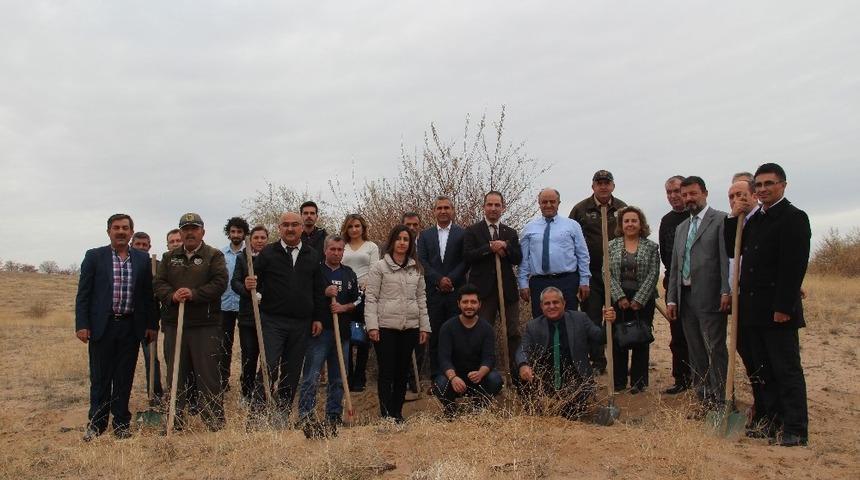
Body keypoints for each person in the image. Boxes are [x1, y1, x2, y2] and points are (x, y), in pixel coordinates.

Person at [726, 163, 810, 447]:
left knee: (785, 370)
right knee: (761, 371)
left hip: (777, 310)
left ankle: (795, 428)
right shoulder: (755, 219)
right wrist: (733, 217)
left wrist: (784, 307)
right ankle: (769, 421)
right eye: (758, 185)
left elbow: (793, 266)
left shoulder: (793, 218)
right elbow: (731, 249)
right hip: (751, 309)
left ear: (783, 185)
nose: (763, 190)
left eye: (768, 184)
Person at [75, 214, 157, 441]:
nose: (121, 231)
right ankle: (97, 424)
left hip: (131, 327)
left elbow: (148, 297)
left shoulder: (141, 259)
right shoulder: (94, 257)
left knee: (124, 377)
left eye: (125, 228)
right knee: (100, 378)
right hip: (102, 327)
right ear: (108, 231)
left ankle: (121, 423)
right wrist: (82, 324)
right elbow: (84, 294)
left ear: (132, 232)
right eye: (116, 228)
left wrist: (151, 324)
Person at [244, 212, 327, 425]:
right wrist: (249, 285)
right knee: (268, 366)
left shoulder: (312, 254)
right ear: (279, 228)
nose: (290, 229)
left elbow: (317, 289)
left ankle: (281, 415)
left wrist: (318, 317)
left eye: (294, 225)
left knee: (292, 370)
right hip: (272, 320)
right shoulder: (268, 253)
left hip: (301, 323)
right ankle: (257, 416)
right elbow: (254, 283)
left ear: (301, 228)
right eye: (286, 225)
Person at [153, 213, 228, 432]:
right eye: (185, 228)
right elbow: (159, 283)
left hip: (204, 325)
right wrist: (172, 295)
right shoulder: (170, 258)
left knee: (208, 375)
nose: (189, 232)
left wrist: (194, 294)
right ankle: (173, 421)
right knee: (175, 375)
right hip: (175, 324)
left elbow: (219, 283)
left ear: (202, 232)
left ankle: (214, 421)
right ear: (180, 232)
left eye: (194, 228)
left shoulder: (213, 255)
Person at [666, 177, 730, 411]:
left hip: (711, 296)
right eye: (684, 195)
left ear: (704, 193)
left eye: (693, 194)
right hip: (685, 297)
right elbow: (674, 265)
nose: (688, 199)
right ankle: (703, 396)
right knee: (695, 349)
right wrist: (672, 297)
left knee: (715, 348)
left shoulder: (721, 220)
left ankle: (722, 397)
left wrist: (726, 290)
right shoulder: (682, 227)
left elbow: (725, 260)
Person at [515, 287, 612, 420]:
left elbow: (600, 337)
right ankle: (537, 408)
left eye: (556, 302)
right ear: (541, 306)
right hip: (546, 385)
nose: (552, 306)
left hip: (576, 383)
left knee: (572, 414)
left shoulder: (580, 319)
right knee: (518, 370)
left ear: (564, 303)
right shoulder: (533, 326)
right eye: (547, 303)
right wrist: (523, 365)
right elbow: (522, 349)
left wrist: (608, 322)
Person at [365, 225, 431, 422]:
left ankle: (397, 412)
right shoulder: (379, 267)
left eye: (406, 239)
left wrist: (424, 326)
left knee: (403, 372)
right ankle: (386, 415)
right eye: (399, 239)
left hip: (410, 327)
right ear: (392, 241)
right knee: (387, 372)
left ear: (410, 244)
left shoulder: (416, 269)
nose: (402, 243)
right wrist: (372, 326)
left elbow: (421, 299)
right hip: (385, 327)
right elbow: (371, 298)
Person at [568, 170, 627, 374]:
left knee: (616, 316)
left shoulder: (622, 208)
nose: (603, 186)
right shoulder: (580, 210)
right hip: (590, 273)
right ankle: (598, 362)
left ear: (612, 185)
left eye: (607, 183)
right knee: (592, 317)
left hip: (617, 274)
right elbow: (571, 240)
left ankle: (619, 362)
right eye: (599, 183)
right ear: (592, 186)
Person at [298, 235, 360, 425]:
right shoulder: (316, 271)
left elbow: (358, 299)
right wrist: (323, 293)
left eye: (340, 249)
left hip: (342, 333)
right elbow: (304, 294)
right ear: (325, 250)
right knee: (311, 377)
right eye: (332, 249)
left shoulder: (349, 273)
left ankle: (333, 416)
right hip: (320, 331)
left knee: (339, 378)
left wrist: (344, 307)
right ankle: (305, 416)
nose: (336, 253)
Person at [463, 191, 523, 377]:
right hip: (483, 292)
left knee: (512, 332)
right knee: (482, 332)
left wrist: (505, 247)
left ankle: (515, 371)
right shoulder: (473, 231)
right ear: (484, 207)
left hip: (507, 291)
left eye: (497, 205)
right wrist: (489, 248)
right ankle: (484, 373)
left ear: (503, 208)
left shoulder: (510, 233)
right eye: (490, 204)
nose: (493, 208)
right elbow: (468, 256)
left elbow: (518, 258)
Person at [608, 206, 660, 393]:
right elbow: (606, 273)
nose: (630, 224)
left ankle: (639, 382)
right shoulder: (611, 245)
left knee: (640, 339)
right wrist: (619, 296)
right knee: (618, 339)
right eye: (626, 221)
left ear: (641, 224)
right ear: (621, 225)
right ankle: (619, 381)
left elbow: (654, 273)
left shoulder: (651, 247)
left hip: (643, 301)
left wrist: (639, 299)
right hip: (618, 299)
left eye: (634, 221)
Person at [518, 188, 591, 318]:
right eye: (544, 202)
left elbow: (582, 255)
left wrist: (584, 280)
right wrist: (523, 283)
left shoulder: (572, 226)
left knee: (569, 320)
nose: (548, 205)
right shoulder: (529, 228)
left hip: (567, 281)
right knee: (541, 323)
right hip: (539, 282)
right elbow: (524, 259)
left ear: (558, 203)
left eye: (552, 201)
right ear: (539, 203)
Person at [434, 284, 503, 417]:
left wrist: (480, 373)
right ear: (459, 304)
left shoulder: (487, 329)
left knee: (495, 379)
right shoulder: (447, 328)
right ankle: (451, 410)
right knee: (439, 383)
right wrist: (453, 378)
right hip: (454, 378)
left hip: (478, 378)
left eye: (473, 302)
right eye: (465, 302)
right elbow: (444, 358)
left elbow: (489, 358)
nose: (469, 306)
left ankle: (478, 409)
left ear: (479, 304)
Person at [417, 196, 466, 377]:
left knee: (456, 334)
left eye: (447, 207)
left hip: (456, 293)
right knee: (435, 335)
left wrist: (450, 279)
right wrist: (439, 280)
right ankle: (437, 377)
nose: (443, 211)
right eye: (439, 208)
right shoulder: (425, 235)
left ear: (452, 210)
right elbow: (422, 261)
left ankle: (457, 376)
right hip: (434, 293)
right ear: (434, 211)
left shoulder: (462, 234)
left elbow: (465, 260)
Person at [658, 175, 692, 394]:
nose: (673, 196)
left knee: (700, 334)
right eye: (669, 192)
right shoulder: (667, 220)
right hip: (674, 282)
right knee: (677, 334)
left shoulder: (698, 217)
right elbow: (665, 253)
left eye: (677, 191)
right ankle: (681, 378)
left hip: (699, 284)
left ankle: (704, 377)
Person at [340, 213, 379, 393]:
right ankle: (346, 375)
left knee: (362, 337)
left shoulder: (371, 246)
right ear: (346, 229)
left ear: (363, 227)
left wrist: (367, 284)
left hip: (365, 295)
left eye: (357, 226)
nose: (354, 229)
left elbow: (375, 269)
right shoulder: (343, 246)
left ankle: (359, 377)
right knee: (346, 336)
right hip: (345, 296)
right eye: (350, 226)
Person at [230, 225, 269, 404]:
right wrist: (247, 288)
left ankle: (265, 391)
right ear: (251, 239)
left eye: (263, 238)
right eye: (256, 238)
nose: (259, 241)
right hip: (247, 315)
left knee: (269, 356)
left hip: (269, 314)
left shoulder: (273, 257)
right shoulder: (242, 258)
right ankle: (247, 392)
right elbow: (235, 282)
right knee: (249, 356)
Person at [130, 231, 164, 403]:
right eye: (138, 244)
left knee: (151, 358)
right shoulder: (126, 263)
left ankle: (156, 395)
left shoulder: (156, 265)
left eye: (145, 245)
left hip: (149, 321)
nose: (142, 248)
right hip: (128, 321)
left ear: (150, 247)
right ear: (132, 245)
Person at [220, 216, 250, 392]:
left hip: (244, 304)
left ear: (244, 233)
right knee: (224, 344)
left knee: (247, 346)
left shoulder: (249, 255)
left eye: (239, 231)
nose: (236, 234)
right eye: (233, 231)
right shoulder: (221, 254)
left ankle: (246, 381)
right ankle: (223, 380)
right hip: (224, 304)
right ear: (228, 233)